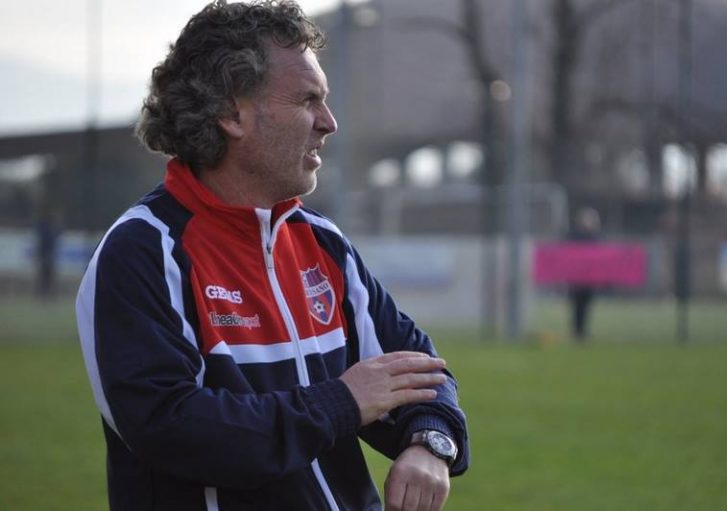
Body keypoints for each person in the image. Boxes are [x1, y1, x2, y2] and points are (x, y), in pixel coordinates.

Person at [74, 2, 469, 510]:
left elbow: (420, 369)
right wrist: (341, 402)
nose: (328, 122)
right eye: (308, 100)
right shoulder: (143, 251)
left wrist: (430, 442)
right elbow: (172, 428)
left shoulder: (321, 242)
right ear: (232, 114)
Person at [567, 207, 601, 341]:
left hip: (589, 279)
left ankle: (583, 331)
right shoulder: (573, 236)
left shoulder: (595, 238)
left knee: (586, 306)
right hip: (576, 279)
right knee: (576, 305)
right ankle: (576, 331)